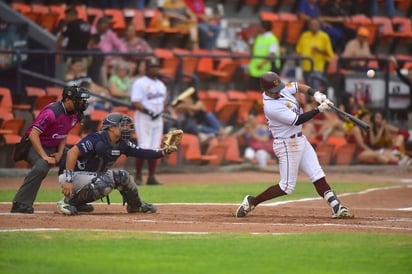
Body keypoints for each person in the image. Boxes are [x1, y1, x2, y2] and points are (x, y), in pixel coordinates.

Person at [235, 71, 353, 219]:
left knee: (317, 174)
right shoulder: (271, 107)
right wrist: (318, 109)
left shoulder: (279, 88)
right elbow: (297, 120)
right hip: (286, 144)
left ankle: (337, 206)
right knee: (286, 187)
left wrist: (316, 94)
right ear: (266, 91)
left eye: (278, 89)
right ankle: (252, 201)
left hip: (300, 139)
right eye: (274, 91)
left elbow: (300, 87)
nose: (278, 92)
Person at [56, 113, 178, 216]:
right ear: (111, 128)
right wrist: (68, 180)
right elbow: (72, 153)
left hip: (94, 177)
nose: (126, 128)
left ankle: (136, 205)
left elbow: (143, 152)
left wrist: (164, 151)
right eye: (122, 125)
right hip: (72, 175)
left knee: (123, 176)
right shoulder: (95, 139)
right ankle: (68, 202)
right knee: (108, 180)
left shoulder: (122, 143)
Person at [11, 86, 90, 213]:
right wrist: (43, 156)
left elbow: (64, 133)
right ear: (68, 99)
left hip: (54, 146)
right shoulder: (52, 112)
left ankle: (77, 200)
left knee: (79, 159)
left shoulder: (75, 113)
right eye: (79, 100)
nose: (82, 103)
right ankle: (20, 204)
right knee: (41, 167)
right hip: (34, 145)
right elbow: (33, 134)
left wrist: (60, 152)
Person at [131, 57, 167, 185]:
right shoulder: (140, 82)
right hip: (144, 117)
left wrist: (163, 109)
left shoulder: (161, 84)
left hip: (158, 118)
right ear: (146, 68)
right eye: (152, 67)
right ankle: (138, 176)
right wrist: (149, 111)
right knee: (143, 146)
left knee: (155, 148)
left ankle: (151, 177)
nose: (154, 69)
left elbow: (162, 102)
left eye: (156, 66)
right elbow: (135, 101)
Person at [296, 17, 334, 89]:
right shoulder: (304, 36)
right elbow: (299, 51)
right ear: (309, 26)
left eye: (315, 24)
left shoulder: (324, 37)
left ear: (319, 25)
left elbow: (329, 54)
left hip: (318, 67)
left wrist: (319, 50)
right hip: (305, 67)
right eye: (312, 24)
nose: (314, 26)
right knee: (306, 88)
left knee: (315, 89)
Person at [248, 20, 281, 90]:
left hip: (266, 70)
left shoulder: (272, 39)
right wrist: (252, 39)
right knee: (253, 91)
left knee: (264, 92)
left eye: (259, 27)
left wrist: (261, 64)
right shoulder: (259, 37)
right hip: (255, 69)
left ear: (264, 28)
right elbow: (252, 51)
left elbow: (271, 54)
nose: (257, 29)